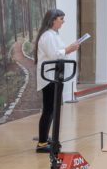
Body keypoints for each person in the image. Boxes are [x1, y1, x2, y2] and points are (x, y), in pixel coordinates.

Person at [34, 8, 80, 153]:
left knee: (52, 110)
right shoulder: (47, 36)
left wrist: (68, 50)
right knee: (48, 110)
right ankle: (41, 143)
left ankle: (45, 137)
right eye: (61, 19)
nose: (63, 21)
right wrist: (68, 49)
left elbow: (58, 53)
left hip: (55, 77)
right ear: (53, 20)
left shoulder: (53, 35)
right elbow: (54, 54)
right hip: (49, 78)